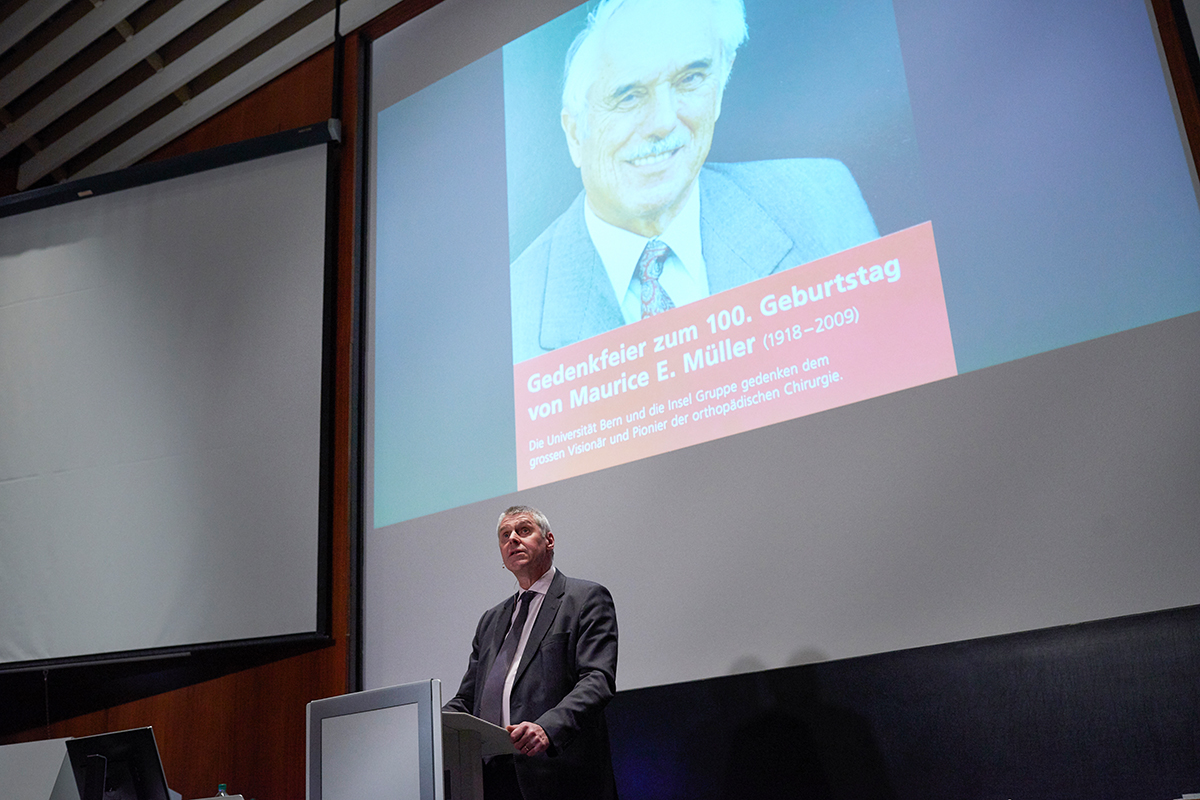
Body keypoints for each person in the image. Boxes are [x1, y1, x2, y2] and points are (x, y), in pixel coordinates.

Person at [510, 0, 880, 363]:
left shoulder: (820, 202)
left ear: (719, 86)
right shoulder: (514, 310)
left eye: (690, 79)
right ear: (575, 134)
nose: (664, 121)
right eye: (628, 95)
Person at [445, 506, 619, 800]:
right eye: (505, 535)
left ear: (549, 540)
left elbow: (597, 679)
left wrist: (546, 728)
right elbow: (468, 699)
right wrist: (429, 725)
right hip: (489, 778)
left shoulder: (585, 599)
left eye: (523, 530)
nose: (512, 539)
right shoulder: (491, 620)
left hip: (557, 776)